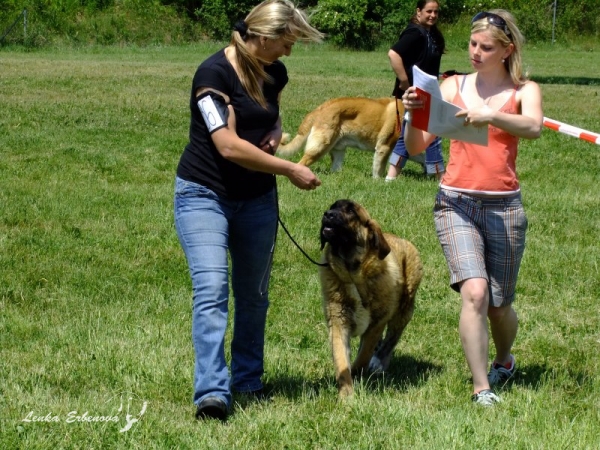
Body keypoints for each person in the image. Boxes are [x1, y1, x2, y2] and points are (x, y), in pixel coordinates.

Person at [174, 0, 323, 421]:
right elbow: (226, 144)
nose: (289, 53)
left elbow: (270, 116)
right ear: (261, 36)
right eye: (286, 43)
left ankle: (248, 380)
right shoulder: (213, 76)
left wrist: (274, 132)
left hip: (257, 199)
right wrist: (290, 167)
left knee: (254, 296)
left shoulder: (274, 72)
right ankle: (212, 394)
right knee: (212, 292)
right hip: (204, 194)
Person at [400, 9, 543, 406]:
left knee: (499, 306)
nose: (476, 52)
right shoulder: (451, 87)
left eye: (486, 47)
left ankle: (504, 359)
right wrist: (414, 113)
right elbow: (415, 147)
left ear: (506, 50)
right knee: (475, 293)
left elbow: (532, 127)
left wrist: (492, 114)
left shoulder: (523, 90)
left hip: (504, 208)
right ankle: (482, 387)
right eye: (472, 45)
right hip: (455, 202)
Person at [386, 0, 446, 181]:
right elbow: (393, 54)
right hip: (418, 92)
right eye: (429, 11)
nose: (433, 15)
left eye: (436, 12)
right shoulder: (415, 33)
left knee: (410, 131)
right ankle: (439, 176)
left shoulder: (429, 33)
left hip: (426, 90)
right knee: (432, 131)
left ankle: (391, 176)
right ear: (418, 11)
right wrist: (404, 82)